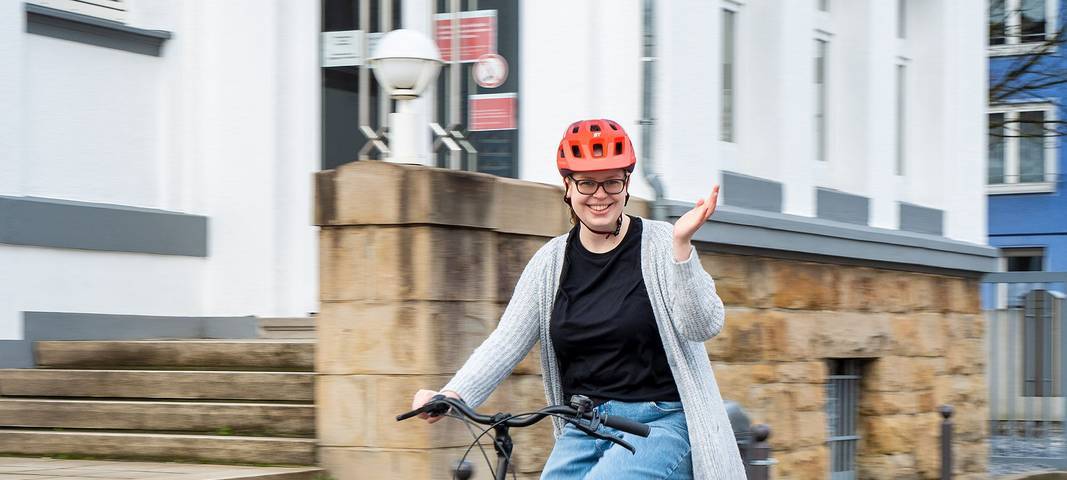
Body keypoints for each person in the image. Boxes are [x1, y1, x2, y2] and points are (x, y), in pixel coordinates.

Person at [411, 119, 746, 479]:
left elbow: (703, 326)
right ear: (568, 187)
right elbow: (505, 342)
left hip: (662, 423)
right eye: (586, 182)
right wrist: (453, 395)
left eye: (612, 181)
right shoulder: (551, 263)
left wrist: (682, 248)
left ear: (627, 184)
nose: (600, 195)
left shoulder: (662, 244)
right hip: (584, 425)